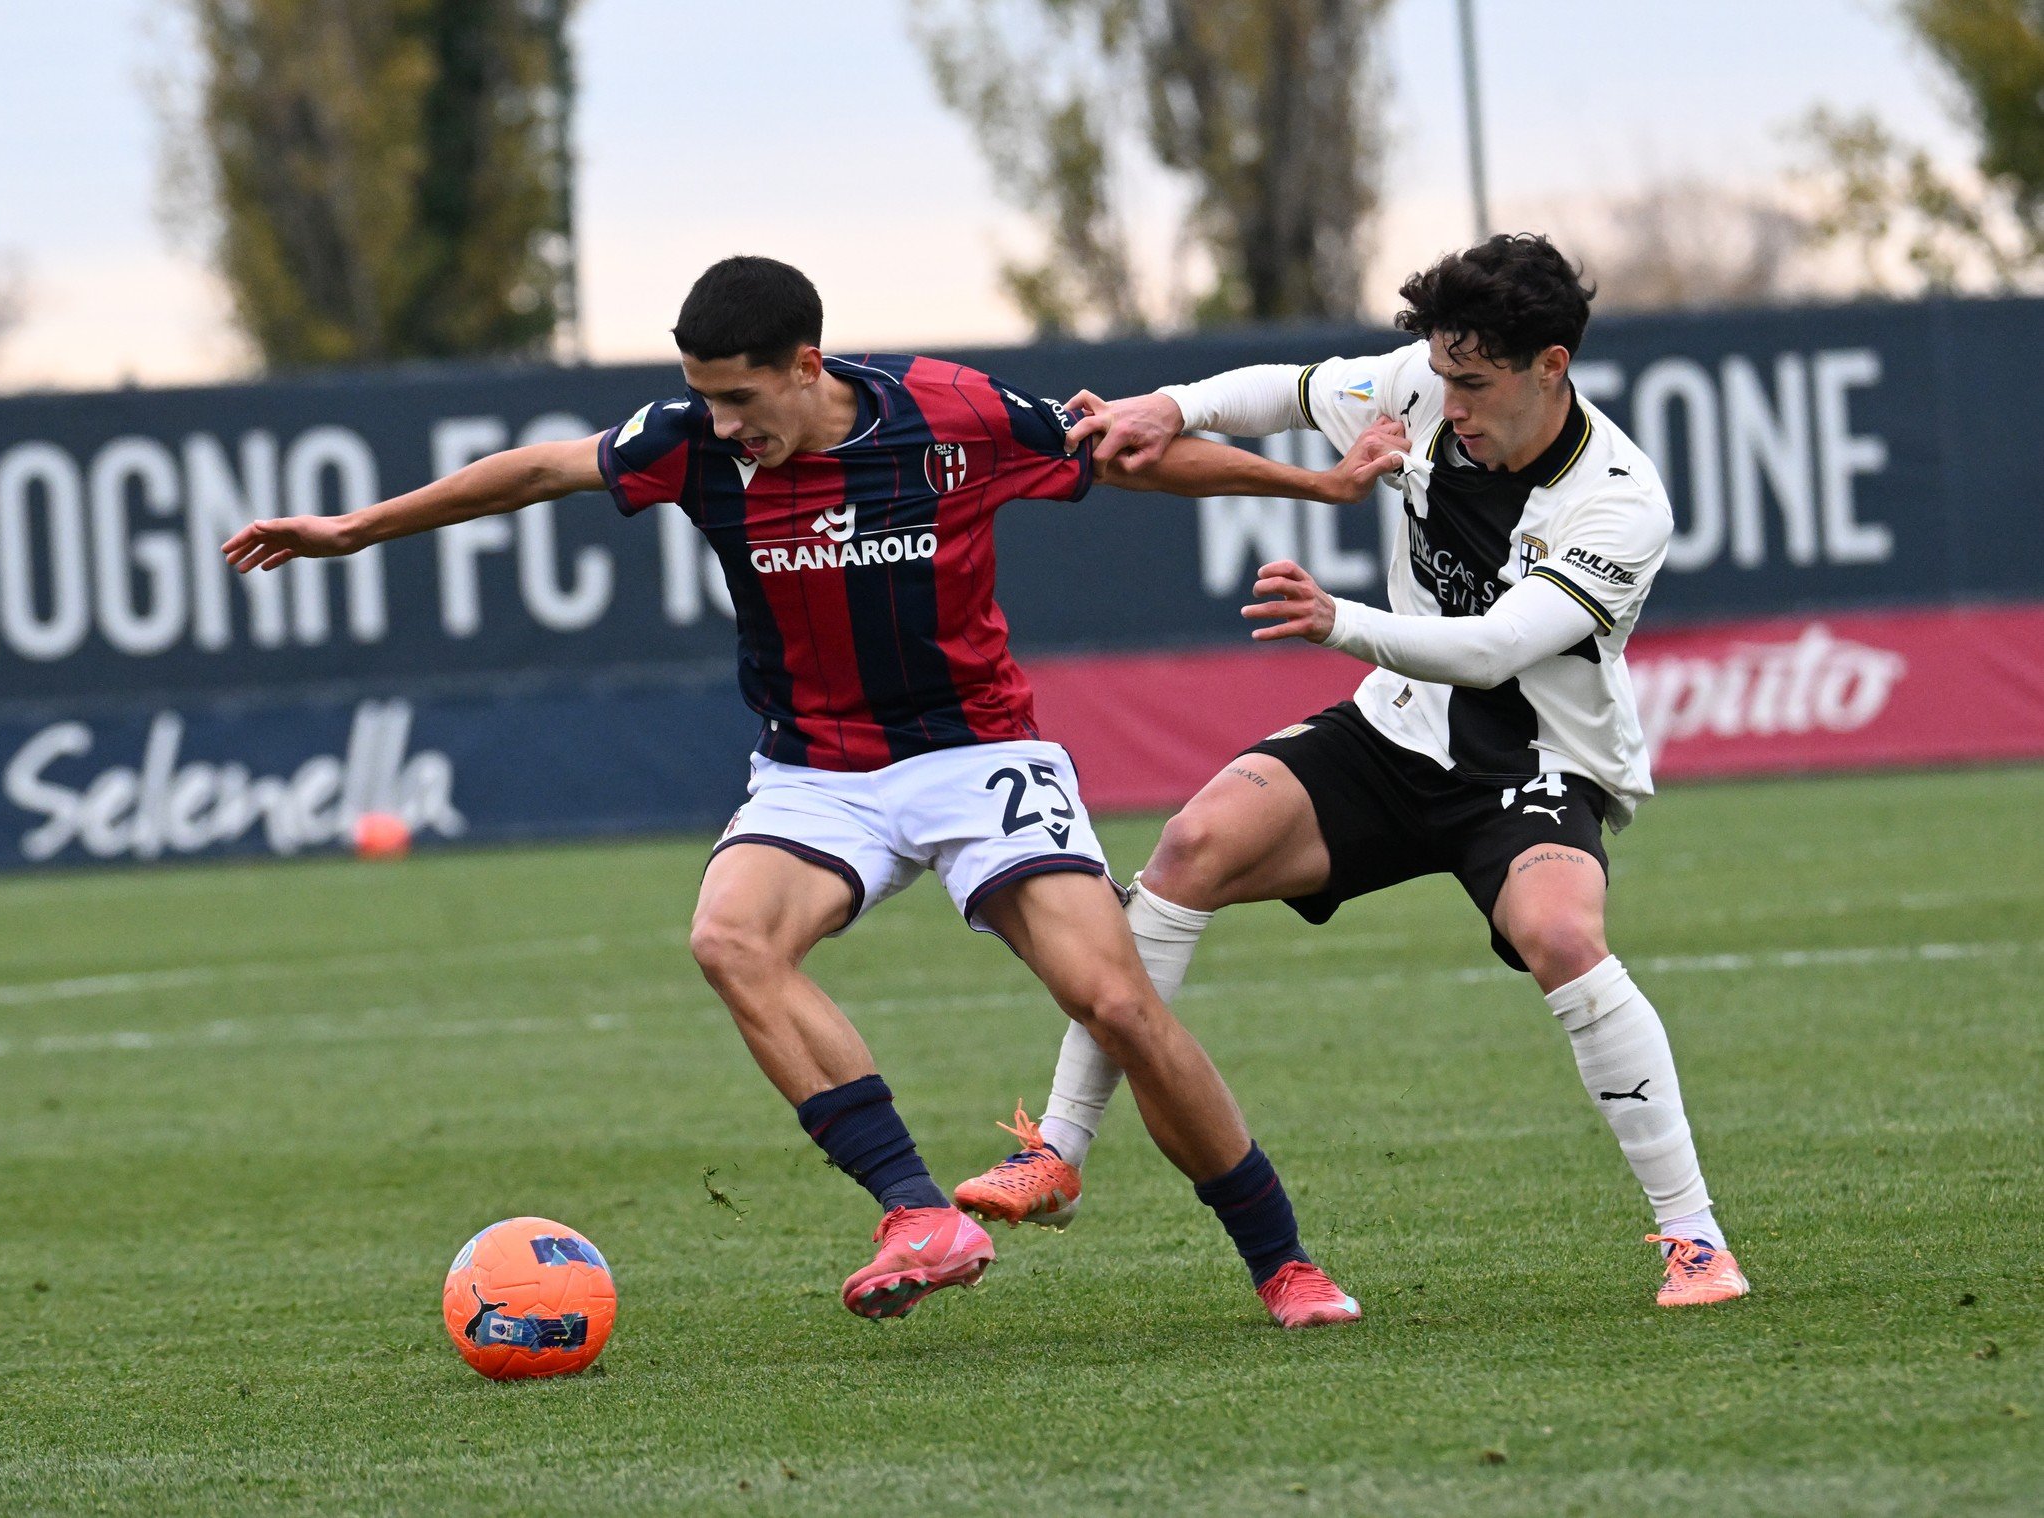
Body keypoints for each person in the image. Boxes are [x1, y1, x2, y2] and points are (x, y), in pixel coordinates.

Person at [224, 255, 1404, 1327]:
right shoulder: (686, 439)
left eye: (741, 399)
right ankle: (913, 1214)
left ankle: (1282, 1263)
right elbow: (541, 466)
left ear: (807, 365)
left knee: (1118, 1004)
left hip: (977, 755)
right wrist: (354, 530)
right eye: (704, 398)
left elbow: (1126, 456)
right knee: (728, 938)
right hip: (815, 769)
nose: (722, 426)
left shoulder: (951, 412)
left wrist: (1317, 489)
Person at [955, 234, 1749, 1310]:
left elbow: (1493, 651)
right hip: (1393, 733)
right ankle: (1054, 1152)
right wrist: (1167, 408)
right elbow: (1279, 391)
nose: (1448, 401)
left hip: (1533, 764)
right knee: (1189, 847)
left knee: (1560, 934)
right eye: (1441, 373)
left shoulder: (1616, 501)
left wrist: (1340, 623)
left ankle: (1694, 1239)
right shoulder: (1424, 379)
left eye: (1473, 383)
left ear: (1549, 367)